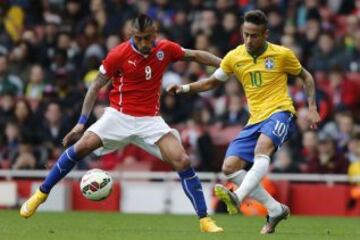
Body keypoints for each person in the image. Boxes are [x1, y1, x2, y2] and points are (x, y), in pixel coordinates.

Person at [20, 14, 223, 233]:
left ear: (155, 35)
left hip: (150, 121)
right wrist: (81, 123)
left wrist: (226, 64)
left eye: (148, 38)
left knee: (182, 160)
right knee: (80, 147)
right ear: (132, 36)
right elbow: (95, 86)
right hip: (118, 116)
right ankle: (40, 195)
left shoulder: (165, 49)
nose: (144, 43)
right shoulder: (118, 54)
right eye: (140, 38)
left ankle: (204, 220)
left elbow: (194, 55)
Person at [167, 10, 321, 234]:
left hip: (280, 112)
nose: (249, 40)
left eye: (254, 35)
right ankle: (275, 209)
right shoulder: (235, 57)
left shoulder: (282, 54)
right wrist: (184, 88)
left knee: (262, 150)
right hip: (255, 118)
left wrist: (312, 107)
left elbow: (306, 76)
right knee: (229, 168)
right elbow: (212, 82)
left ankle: (237, 197)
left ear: (265, 34)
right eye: (246, 34)